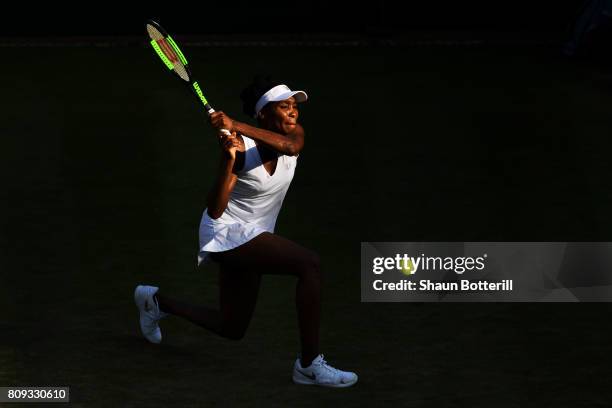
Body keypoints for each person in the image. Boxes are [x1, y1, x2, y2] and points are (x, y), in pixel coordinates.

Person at [134, 76, 358, 388]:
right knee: (309, 264)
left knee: (232, 327)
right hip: (226, 232)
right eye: (284, 106)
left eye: (294, 106)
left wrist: (235, 124)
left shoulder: (292, 136)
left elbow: (290, 147)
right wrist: (228, 161)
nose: (293, 112)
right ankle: (308, 365)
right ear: (263, 113)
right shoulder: (240, 151)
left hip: (257, 233)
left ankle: (157, 302)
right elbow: (214, 210)